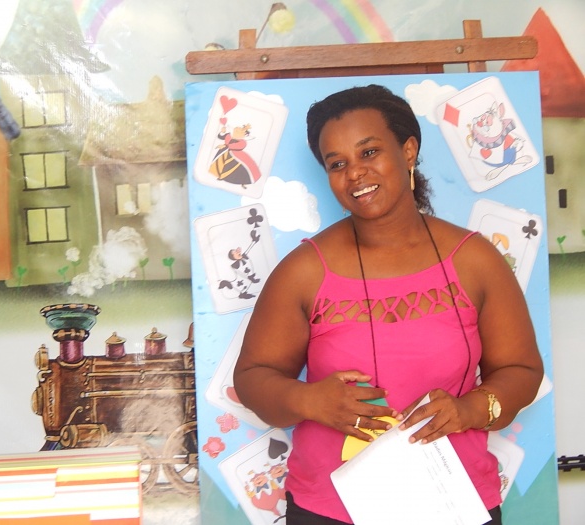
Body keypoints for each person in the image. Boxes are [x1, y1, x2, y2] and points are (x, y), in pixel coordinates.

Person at [233, 84, 543, 525]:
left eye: (369, 152)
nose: (355, 173)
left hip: (453, 503)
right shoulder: (304, 270)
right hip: (329, 509)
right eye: (337, 163)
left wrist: (470, 410)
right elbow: (252, 378)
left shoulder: (474, 260)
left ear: (408, 150)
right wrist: (310, 401)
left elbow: (522, 371)